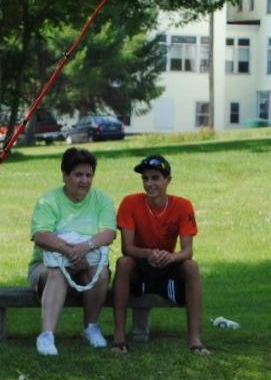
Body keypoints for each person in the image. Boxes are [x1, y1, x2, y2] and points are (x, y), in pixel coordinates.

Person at [110, 154, 208, 355]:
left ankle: (195, 340)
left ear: (168, 180)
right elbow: (127, 248)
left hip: (168, 264)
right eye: (145, 178)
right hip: (140, 265)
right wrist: (148, 253)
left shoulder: (182, 205)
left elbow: (188, 251)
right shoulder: (130, 202)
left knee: (191, 266)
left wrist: (170, 257)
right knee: (123, 263)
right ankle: (119, 337)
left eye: (155, 178)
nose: (149, 184)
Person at [28, 147, 116, 356]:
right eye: (78, 175)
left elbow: (108, 233)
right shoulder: (49, 200)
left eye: (88, 175)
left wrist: (83, 250)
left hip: (88, 260)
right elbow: (40, 235)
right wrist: (69, 252)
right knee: (57, 272)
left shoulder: (102, 200)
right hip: (46, 266)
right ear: (65, 176)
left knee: (101, 272)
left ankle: (91, 328)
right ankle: (46, 335)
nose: (84, 180)